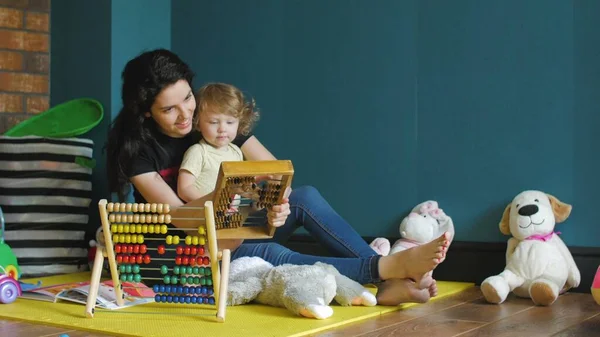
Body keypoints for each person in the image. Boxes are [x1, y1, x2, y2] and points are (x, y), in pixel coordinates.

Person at [105, 48, 450, 306]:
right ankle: (385, 269)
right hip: (193, 249)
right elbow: (179, 217)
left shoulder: (210, 121)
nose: (185, 115)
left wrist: (276, 203)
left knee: (305, 196)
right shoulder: (139, 151)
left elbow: (275, 169)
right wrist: (226, 199)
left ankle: (385, 278)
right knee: (269, 252)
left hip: (235, 224)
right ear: (146, 112)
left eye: (188, 99)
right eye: (169, 109)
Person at [177, 82, 257, 206]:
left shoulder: (236, 152)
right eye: (214, 122)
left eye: (230, 122)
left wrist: (258, 195)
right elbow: (184, 189)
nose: (222, 129)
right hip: (203, 219)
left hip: (229, 218)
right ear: (198, 123)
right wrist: (214, 203)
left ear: (239, 123)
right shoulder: (198, 152)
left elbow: (239, 187)